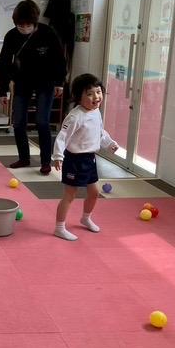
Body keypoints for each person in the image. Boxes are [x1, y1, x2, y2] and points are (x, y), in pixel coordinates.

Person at [0, 0, 67, 175]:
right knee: (18, 122)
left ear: (34, 22)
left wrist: (60, 82)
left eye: (28, 25)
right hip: (22, 81)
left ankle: (45, 161)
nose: (24, 29)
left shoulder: (47, 33)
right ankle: (24, 158)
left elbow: (59, 59)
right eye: (20, 25)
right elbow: (4, 63)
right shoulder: (11, 36)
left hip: (46, 81)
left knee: (42, 121)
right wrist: (3, 90)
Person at [52, 74, 119, 241]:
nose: (96, 97)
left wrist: (110, 144)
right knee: (70, 195)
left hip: (90, 159)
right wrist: (58, 156)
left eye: (98, 92)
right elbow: (62, 136)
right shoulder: (76, 116)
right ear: (78, 97)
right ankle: (59, 228)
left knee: (94, 192)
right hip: (74, 160)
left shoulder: (96, 112)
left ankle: (86, 218)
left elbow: (99, 132)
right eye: (90, 94)